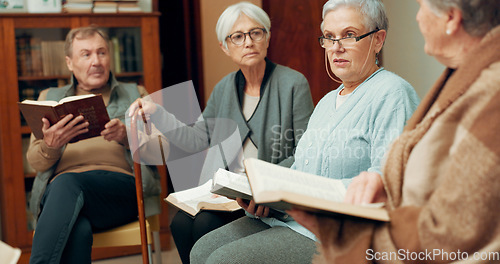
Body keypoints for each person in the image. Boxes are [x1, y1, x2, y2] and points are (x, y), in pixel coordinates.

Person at [189, 0, 420, 263]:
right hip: (294, 219)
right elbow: (302, 170)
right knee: (201, 250)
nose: (337, 47)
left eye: (349, 35)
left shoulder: (393, 94)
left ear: (378, 40)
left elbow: (391, 182)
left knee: (222, 260)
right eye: (330, 38)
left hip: (341, 234)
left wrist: (307, 196)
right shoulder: (326, 103)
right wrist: (264, 193)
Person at [289, 0, 500, 263]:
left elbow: (453, 227)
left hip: (352, 235)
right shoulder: (459, 77)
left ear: (451, 18)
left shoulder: (486, 94)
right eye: (329, 38)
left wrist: (353, 241)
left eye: (421, 7)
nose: (418, 18)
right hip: (308, 224)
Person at [129, 2, 314, 263]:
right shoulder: (223, 89)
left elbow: (305, 153)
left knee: (205, 225)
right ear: (225, 47)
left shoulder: (293, 84)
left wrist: (261, 183)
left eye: (256, 33)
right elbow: (196, 139)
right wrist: (159, 113)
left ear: (267, 36)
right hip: (228, 193)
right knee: (180, 224)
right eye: (237, 37)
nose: (248, 42)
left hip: (266, 194)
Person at [27, 26, 163, 264]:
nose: (96, 61)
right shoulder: (49, 97)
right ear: (70, 63)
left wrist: (127, 137)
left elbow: (161, 150)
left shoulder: (136, 94)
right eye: (86, 54)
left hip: (120, 190)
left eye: (101, 53)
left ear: (110, 57)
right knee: (77, 230)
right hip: (64, 195)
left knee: (67, 183)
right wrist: (52, 145)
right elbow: (35, 162)